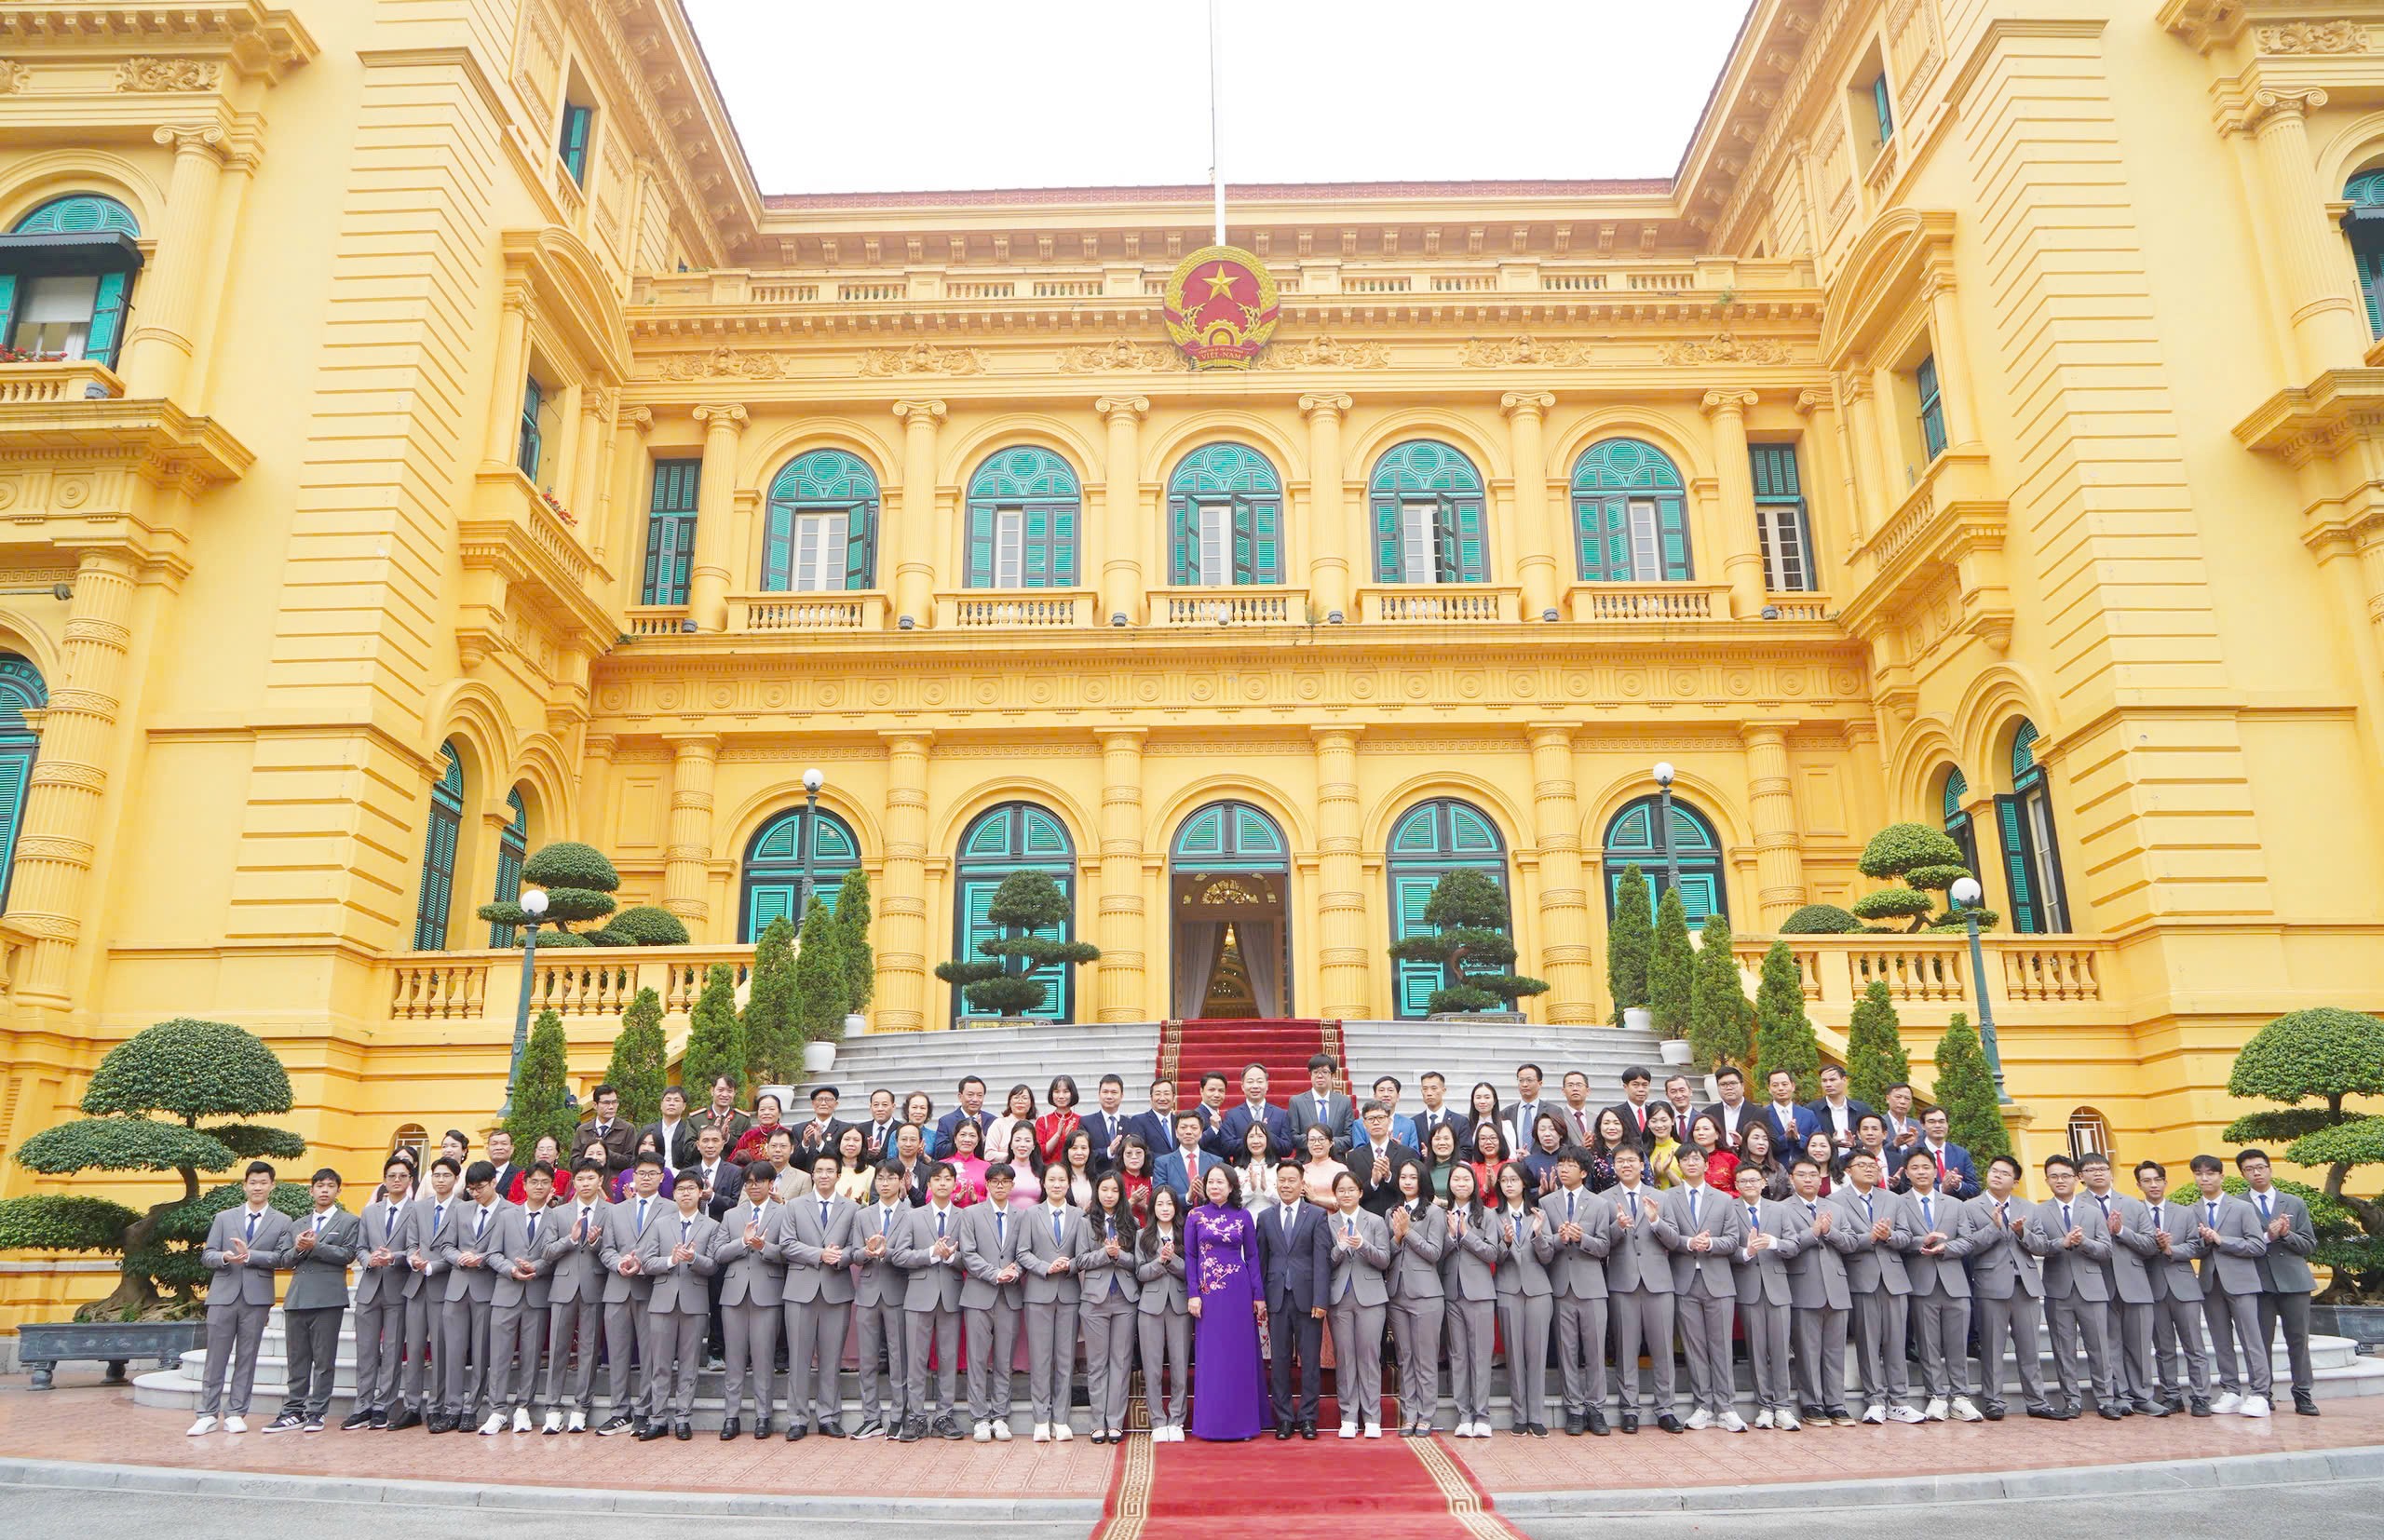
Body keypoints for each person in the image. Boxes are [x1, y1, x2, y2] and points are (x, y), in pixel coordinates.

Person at [190, 1160, 293, 1437]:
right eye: (253, 1182)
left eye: (263, 1182)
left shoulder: (282, 1221)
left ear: (272, 1186)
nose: (258, 1187)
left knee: (247, 1357)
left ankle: (236, 1412)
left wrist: (250, 1256)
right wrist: (225, 1257)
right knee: (215, 1357)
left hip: (256, 1298)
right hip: (222, 1295)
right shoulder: (224, 1218)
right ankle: (207, 1413)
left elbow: (282, 1258)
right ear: (244, 1185)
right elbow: (208, 1254)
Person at [262, 1168, 355, 1435]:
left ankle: (317, 1411)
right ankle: (293, 1409)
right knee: (297, 1358)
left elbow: (347, 1255)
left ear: (338, 1190)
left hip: (328, 1298)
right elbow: (283, 1259)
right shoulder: (298, 1224)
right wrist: (298, 1248)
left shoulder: (349, 1222)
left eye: (330, 1186)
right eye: (320, 1185)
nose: (324, 1190)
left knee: (324, 1360)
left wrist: (317, 1247)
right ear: (311, 1190)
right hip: (298, 1296)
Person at [1830, 1148, 1920, 1425]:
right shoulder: (1835, 1202)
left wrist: (1889, 1235)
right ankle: (1875, 1400)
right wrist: (1868, 1237)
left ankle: (1899, 1401)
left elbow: (1906, 1237)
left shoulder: (1892, 1199)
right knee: (1868, 1343)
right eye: (1862, 1164)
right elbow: (1839, 1241)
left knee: (1896, 1342)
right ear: (1848, 1170)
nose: (1870, 1169)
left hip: (1894, 1279)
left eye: (1873, 1164)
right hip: (1861, 1278)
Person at [1659, 1144, 1745, 1432]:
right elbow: (1668, 1237)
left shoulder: (1723, 1199)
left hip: (1718, 1280)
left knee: (1721, 1346)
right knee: (1694, 1347)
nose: (1691, 1163)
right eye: (1685, 1159)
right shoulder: (1668, 1198)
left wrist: (1709, 1244)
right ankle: (1703, 1406)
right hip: (1684, 1280)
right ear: (1679, 1165)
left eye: (1696, 1158)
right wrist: (1688, 1242)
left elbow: (1732, 1240)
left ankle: (1726, 1407)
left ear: (1707, 1165)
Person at [774, 1148, 857, 1440]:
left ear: (838, 1175)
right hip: (800, 1289)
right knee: (798, 1358)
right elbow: (786, 1244)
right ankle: (797, 1419)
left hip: (836, 1289)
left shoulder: (851, 1208)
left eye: (829, 1171)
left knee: (831, 1359)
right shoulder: (795, 1206)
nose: (824, 1176)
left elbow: (855, 1248)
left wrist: (841, 1256)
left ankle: (828, 1417)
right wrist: (819, 1254)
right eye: (819, 1171)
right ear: (812, 1174)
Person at [2079, 1150, 2169, 1418]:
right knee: (2109, 1345)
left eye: (2102, 1168)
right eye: (2091, 1169)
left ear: (2111, 1172)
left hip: (2134, 1282)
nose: (2098, 1173)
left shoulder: (2133, 1205)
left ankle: (2143, 1396)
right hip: (2096, 1282)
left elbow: (2150, 1245)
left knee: (2139, 1343)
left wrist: (2121, 1231)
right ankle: (2119, 1396)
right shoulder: (2077, 1205)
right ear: (2081, 1176)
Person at [1969, 1153, 2058, 1420]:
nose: (1997, 1175)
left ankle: (2037, 1401)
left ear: (2015, 1181)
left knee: (2030, 1348)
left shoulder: (2029, 1208)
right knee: (1992, 1348)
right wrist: (1994, 1228)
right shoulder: (1970, 1207)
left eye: (2004, 1173)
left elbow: (2042, 1246)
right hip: (1990, 1285)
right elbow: (1968, 1245)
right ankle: (1994, 1401)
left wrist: (2021, 1232)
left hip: (2025, 1286)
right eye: (1994, 1171)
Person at [633, 1162, 719, 1439]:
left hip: (694, 1303)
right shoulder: (660, 1225)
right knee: (659, 1364)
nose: (685, 1193)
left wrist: (693, 1258)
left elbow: (713, 1265)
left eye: (691, 1189)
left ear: (700, 1193)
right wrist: (671, 1260)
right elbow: (647, 1262)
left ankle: (683, 1418)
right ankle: (657, 1419)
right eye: (680, 1189)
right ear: (673, 1193)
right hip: (662, 1302)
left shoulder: (712, 1226)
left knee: (689, 1365)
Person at [1900, 1144, 1985, 1422]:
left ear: (1936, 1171)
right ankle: (1936, 1396)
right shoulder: (1899, 1203)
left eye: (1926, 1167)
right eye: (1915, 1168)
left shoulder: (1955, 1204)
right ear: (1907, 1173)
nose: (1921, 1172)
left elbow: (1968, 1240)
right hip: (1921, 1281)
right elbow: (1898, 1239)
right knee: (1928, 1344)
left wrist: (1946, 1248)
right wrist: (1921, 1242)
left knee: (1957, 1344)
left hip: (1954, 1281)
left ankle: (1960, 1397)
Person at [2029, 1153, 2117, 1418]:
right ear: (2046, 1180)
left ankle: (2106, 1400)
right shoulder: (2039, 1212)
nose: (2060, 1180)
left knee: (2099, 1348)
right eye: (2054, 1176)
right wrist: (2063, 1243)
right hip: (2058, 1289)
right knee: (2063, 1349)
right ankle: (2072, 1400)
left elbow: (2106, 1250)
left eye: (2066, 1175)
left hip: (2092, 1288)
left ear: (2077, 1179)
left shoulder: (2092, 1212)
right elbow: (2038, 1246)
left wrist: (2084, 1243)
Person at [1601, 1142, 1681, 1433]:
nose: (1626, 1165)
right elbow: (1601, 1244)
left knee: (1663, 1350)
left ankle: (1666, 1409)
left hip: (1658, 1282)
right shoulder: (1604, 1200)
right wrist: (1618, 1227)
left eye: (1631, 1160)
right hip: (1622, 1283)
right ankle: (1629, 1409)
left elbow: (1674, 1240)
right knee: (1626, 1349)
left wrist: (1655, 1220)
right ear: (1614, 1167)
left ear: (1641, 1164)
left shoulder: (1661, 1197)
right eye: (1620, 1161)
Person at [2189, 1151, 2274, 1417]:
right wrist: (2203, 1242)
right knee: (2220, 1339)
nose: (2205, 1178)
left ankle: (2260, 1393)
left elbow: (2257, 1245)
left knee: (2251, 1339)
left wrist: (2221, 1240)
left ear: (2221, 1176)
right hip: (2210, 1282)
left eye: (2210, 1173)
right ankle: (2231, 1390)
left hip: (2242, 1282)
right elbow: (2195, 1248)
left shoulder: (2241, 1208)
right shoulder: (2192, 1210)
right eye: (2199, 1174)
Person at [1186, 1165, 1267, 1440]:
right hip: (1208, 1292)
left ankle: (1243, 1424)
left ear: (1231, 1186)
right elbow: (1191, 1257)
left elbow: (1252, 1257)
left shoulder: (1243, 1216)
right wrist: (1193, 1293)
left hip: (1238, 1291)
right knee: (1213, 1357)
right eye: (1211, 1182)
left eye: (1220, 1182)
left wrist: (1258, 1295)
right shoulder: (1195, 1216)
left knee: (1238, 1355)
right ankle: (1211, 1425)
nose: (1215, 1187)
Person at [2237, 1147, 2320, 1416]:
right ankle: (2263, 1393)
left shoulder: (2293, 1202)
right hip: (2258, 1283)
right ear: (2242, 1174)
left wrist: (2285, 1235)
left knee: (2298, 1341)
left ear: (2270, 1169)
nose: (2256, 1173)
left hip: (2295, 1282)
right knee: (2260, 1342)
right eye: (2250, 1169)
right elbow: (2238, 1245)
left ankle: (2303, 1393)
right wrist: (2267, 1237)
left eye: (2261, 1167)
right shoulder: (2237, 1205)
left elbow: (2309, 1244)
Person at [891, 1160, 968, 1440]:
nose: (943, 1183)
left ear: (954, 1184)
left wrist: (951, 1257)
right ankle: (916, 1417)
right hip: (918, 1295)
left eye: (948, 1179)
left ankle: (944, 1416)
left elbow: (970, 1258)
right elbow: (898, 1255)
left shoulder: (965, 1217)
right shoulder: (913, 1216)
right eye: (937, 1179)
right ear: (929, 1184)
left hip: (951, 1295)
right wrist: (931, 1254)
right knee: (916, 1359)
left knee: (948, 1358)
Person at [1776, 1155, 1854, 1426]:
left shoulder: (1835, 1208)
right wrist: (1813, 1232)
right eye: (1802, 1174)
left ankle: (1836, 1403)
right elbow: (1786, 1247)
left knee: (1835, 1351)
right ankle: (1811, 1403)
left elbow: (1851, 1243)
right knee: (1807, 1351)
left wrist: (1829, 1232)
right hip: (1803, 1285)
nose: (1808, 1179)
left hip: (1836, 1287)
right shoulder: (1781, 1209)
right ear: (1791, 1179)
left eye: (1813, 1175)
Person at [1257, 1159, 1331, 1440]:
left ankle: (1309, 1418)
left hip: (1308, 1298)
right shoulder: (1266, 1217)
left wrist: (1321, 1299)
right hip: (1277, 1298)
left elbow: (1322, 1261)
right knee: (1279, 1361)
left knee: (1309, 1360)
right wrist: (1260, 1297)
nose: (1286, 1185)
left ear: (1302, 1184)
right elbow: (1262, 1260)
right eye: (1282, 1180)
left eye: (1292, 1180)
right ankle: (1285, 1418)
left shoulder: (1316, 1215)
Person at [431, 1159, 507, 1434]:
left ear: (494, 1182)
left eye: (480, 1188)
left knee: (481, 1352)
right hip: (457, 1286)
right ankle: (452, 1409)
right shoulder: (461, 1209)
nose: (475, 1193)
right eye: (471, 1189)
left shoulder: (510, 1211)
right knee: (452, 1351)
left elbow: (508, 1249)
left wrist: (482, 1258)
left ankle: (471, 1409)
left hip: (487, 1288)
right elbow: (446, 1246)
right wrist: (460, 1258)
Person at [1541, 1145, 1611, 1437]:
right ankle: (1574, 1408)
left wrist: (1583, 1239)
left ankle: (1595, 1407)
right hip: (1561, 1285)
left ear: (1583, 1172)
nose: (1564, 1169)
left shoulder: (1599, 1204)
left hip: (1592, 1286)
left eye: (1570, 1165)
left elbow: (1605, 1246)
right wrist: (1559, 1239)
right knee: (1567, 1351)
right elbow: (1543, 1248)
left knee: (1595, 1351)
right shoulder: (1546, 1203)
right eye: (1561, 1164)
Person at [2135, 1159, 2214, 1416]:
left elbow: (2196, 1246)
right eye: (2147, 1181)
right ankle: (2171, 1396)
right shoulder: (2135, 1213)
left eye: (2158, 1180)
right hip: (2152, 1286)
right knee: (2164, 1347)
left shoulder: (2184, 1213)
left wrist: (2170, 1249)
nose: (2153, 1185)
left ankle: (2201, 1396)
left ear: (2165, 1182)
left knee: (2194, 1346)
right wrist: (2153, 1245)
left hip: (2184, 1285)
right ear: (2139, 1185)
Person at [486, 1160, 559, 1435]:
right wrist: (511, 1270)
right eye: (534, 1181)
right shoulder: (506, 1216)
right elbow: (493, 1253)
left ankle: (523, 1408)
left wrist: (536, 1267)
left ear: (552, 1187)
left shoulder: (557, 1218)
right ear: (524, 1184)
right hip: (506, 1292)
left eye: (545, 1182)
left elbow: (556, 1256)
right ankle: (497, 1410)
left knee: (531, 1355)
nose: (539, 1186)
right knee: (500, 1355)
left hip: (537, 1294)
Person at [597, 1154, 667, 1435]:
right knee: (617, 1354)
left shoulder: (672, 1209)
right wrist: (618, 1263)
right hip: (618, 1288)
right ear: (633, 1177)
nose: (646, 1178)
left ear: (662, 1177)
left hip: (651, 1290)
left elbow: (670, 1249)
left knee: (651, 1355)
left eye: (652, 1173)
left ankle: (644, 1410)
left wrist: (644, 1265)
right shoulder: (616, 1211)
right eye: (641, 1173)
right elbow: (606, 1249)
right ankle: (619, 1411)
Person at [957, 1160, 1027, 1441]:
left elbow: (1025, 1253)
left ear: (1012, 1185)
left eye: (1005, 1181)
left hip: (1009, 1296)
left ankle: (1000, 1416)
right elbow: (968, 1254)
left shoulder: (1022, 1216)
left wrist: (1015, 1272)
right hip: (978, 1294)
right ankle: (979, 1418)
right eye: (995, 1181)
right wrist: (995, 1273)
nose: (1000, 1186)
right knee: (976, 1359)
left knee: (1004, 1359)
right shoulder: (971, 1214)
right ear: (986, 1185)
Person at [712, 1162, 782, 1439]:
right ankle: (731, 1416)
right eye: (749, 1182)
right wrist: (742, 1243)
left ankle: (763, 1416)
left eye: (759, 1181)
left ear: (770, 1184)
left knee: (764, 1357)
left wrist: (764, 1247)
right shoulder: (732, 1215)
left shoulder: (783, 1212)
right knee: (734, 1357)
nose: (754, 1186)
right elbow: (718, 1253)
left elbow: (787, 1252)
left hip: (768, 1291)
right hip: (734, 1293)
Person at [539, 1158, 610, 1433]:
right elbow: (546, 1252)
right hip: (563, 1286)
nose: (585, 1183)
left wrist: (595, 1242)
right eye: (580, 1179)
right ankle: (552, 1408)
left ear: (600, 1180)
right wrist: (570, 1240)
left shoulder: (611, 1211)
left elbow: (612, 1248)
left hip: (595, 1284)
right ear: (573, 1182)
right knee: (558, 1347)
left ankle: (581, 1407)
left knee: (588, 1350)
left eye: (591, 1178)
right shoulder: (558, 1213)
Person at [1020, 1160, 1089, 1441]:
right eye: (1052, 1180)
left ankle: (1061, 1418)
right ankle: (1040, 1419)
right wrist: (1045, 1267)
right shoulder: (1031, 1214)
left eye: (1062, 1180)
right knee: (1040, 1358)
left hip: (1069, 1294)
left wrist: (1069, 1265)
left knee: (1065, 1358)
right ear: (1043, 1183)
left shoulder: (1078, 1215)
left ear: (1068, 1184)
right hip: (1038, 1293)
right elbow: (1022, 1252)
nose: (1057, 1184)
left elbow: (1083, 1255)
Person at [391, 1153, 460, 1431]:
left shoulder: (463, 1209)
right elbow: (411, 1244)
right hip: (416, 1284)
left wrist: (433, 1266)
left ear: (456, 1179)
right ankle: (411, 1407)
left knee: (440, 1349)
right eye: (436, 1175)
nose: (440, 1180)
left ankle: (436, 1406)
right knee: (415, 1347)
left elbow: (460, 1249)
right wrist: (412, 1259)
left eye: (446, 1175)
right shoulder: (418, 1208)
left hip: (443, 1285)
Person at [346, 1154, 414, 1430]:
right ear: (384, 1180)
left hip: (398, 1287)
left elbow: (415, 1249)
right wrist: (368, 1260)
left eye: (402, 1176)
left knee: (393, 1349)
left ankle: (382, 1406)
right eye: (391, 1176)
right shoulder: (370, 1212)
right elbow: (360, 1247)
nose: (396, 1180)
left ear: (410, 1180)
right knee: (365, 1350)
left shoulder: (417, 1211)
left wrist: (394, 1257)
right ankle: (362, 1405)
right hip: (370, 1287)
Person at [849, 1160, 914, 1439]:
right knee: (867, 1358)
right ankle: (870, 1416)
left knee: (899, 1357)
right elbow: (853, 1254)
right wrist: (866, 1252)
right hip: (867, 1291)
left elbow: (913, 1254)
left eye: (890, 1178)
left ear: (901, 1181)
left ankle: (899, 1415)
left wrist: (888, 1252)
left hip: (898, 1290)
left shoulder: (913, 1214)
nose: (885, 1183)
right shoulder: (863, 1215)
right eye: (880, 1178)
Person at [1730, 1162, 1797, 1429]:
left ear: (1763, 1183)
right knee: (1756, 1350)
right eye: (1743, 1181)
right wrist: (1746, 1252)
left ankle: (1783, 1406)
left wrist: (1774, 1243)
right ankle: (1764, 1406)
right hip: (1748, 1287)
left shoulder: (1779, 1210)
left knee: (1780, 1349)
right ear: (1736, 1186)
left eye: (1753, 1180)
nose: (1749, 1185)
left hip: (1777, 1287)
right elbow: (1727, 1248)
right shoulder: (1730, 1209)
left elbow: (1794, 1245)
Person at [1325, 1169, 1390, 1439]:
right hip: (1340, 1296)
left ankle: (1372, 1417)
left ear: (1360, 1193)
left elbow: (1384, 1260)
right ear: (1335, 1194)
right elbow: (1325, 1262)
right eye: (1341, 1190)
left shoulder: (1375, 1221)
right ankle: (1349, 1416)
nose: (1346, 1194)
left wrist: (1363, 1245)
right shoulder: (1327, 1222)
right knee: (1345, 1357)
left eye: (1351, 1189)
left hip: (1371, 1296)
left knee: (1369, 1356)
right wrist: (1340, 1248)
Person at [1440, 1161, 1501, 1439]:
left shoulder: (1486, 1215)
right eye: (1456, 1179)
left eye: (1466, 1179)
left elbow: (1493, 1253)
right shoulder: (1443, 1215)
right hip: (1452, 1291)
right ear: (1450, 1184)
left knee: (1480, 1355)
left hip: (1480, 1292)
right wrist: (1450, 1236)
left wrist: (1464, 1235)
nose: (1461, 1184)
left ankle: (1482, 1415)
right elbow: (1437, 1254)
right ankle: (1464, 1414)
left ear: (1474, 1184)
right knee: (1458, 1356)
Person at [1078, 1171, 1141, 1444]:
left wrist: (1120, 1255)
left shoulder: (1132, 1223)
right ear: (1097, 1191)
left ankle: (1115, 1422)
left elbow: (1138, 1263)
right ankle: (1097, 1423)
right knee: (1097, 1363)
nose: (1109, 1195)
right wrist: (1105, 1254)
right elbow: (1079, 1261)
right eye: (1104, 1189)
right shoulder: (1085, 1223)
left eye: (1115, 1190)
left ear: (1121, 1194)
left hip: (1125, 1299)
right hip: (1095, 1300)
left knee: (1121, 1362)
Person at [1492, 1160, 1553, 1437]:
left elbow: (1548, 1256)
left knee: (1537, 1354)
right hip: (1507, 1289)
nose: (1509, 1185)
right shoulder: (1493, 1216)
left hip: (1538, 1290)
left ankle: (1536, 1416)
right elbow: (1494, 1257)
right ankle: (1520, 1415)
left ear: (1524, 1183)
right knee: (1514, 1355)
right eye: (1504, 1180)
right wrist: (1505, 1243)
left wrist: (1539, 1235)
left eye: (1513, 1180)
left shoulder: (1539, 1214)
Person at [1136, 1184, 1193, 1441]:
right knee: (1153, 1368)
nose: (1165, 1208)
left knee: (1180, 1366)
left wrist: (1173, 1260)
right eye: (1160, 1204)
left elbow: (1191, 1271)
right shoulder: (1142, 1236)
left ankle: (1177, 1420)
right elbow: (1140, 1273)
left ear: (1176, 1207)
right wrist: (1160, 1262)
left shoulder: (1185, 1233)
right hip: (1150, 1307)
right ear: (1152, 1208)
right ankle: (1157, 1420)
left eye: (1169, 1203)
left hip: (1180, 1305)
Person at [1348, 1100, 1421, 1215]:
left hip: (1399, 1215)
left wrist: (1389, 1176)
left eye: (1381, 1118)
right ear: (1364, 1124)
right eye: (1371, 1119)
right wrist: (1373, 1182)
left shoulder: (1407, 1153)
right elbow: (1353, 1193)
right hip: (1367, 1217)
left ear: (1389, 1121)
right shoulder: (1354, 1156)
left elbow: (1415, 1189)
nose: (1376, 1123)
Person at [1215, 1062, 1295, 1160]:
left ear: (1267, 1085)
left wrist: (1266, 1137)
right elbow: (1226, 1147)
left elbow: (1287, 1149)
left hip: (1272, 1167)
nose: (1255, 1086)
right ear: (1242, 1086)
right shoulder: (1232, 1115)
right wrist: (1251, 1140)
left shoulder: (1281, 1114)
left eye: (1260, 1081)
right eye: (1250, 1082)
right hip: (1243, 1167)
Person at [1913, 1107, 1980, 1198]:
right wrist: (1941, 1188)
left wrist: (1958, 1185)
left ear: (1947, 1124)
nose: (1937, 1125)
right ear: (1923, 1125)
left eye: (1941, 1121)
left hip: (1955, 1206)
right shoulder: (1912, 1153)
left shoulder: (1961, 1154)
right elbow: (1908, 1187)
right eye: (1932, 1122)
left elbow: (1975, 1189)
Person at [573, 1086, 639, 1178]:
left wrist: (605, 1152)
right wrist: (590, 1157)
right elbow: (574, 1162)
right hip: (588, 1180)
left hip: (614, 1181)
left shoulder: (628, 1129)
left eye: (614, 1102)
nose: (611, 1107)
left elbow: (631, 1161)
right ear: (595, 1105)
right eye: (606, 1103)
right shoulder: (582, 1130)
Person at [1155, 1108, 1222, 1197]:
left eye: (1194, 1128)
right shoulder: (1163, 1163)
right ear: (1176, 1132)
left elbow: (1222, 1194)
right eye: (1183, 1128)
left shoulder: (1216, 1161)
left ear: (1201, 1132)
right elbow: (1159, 1196)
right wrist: (1187, 1197)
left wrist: (1206, 1197)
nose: (1188, 1132)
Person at [1290, 1053, 1354, 1144]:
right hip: (1307, 1153)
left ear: (1333, 1075)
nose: (1320, 1076)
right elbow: (1293, 1136)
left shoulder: (1344, 1102)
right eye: (1315, 1072)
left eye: (1325, 1072)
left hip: (1335, 1153)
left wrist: (1329, 1143)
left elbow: (1350, 1137)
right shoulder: (1297, 1102)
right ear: (1310, 1075)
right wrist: (1315, 1142)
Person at [1806, 1064, 1871, 1152]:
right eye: (1824, 1081)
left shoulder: (1861, 1109)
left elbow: (1872, 1137)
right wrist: (1829, 1143)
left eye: (1832, 1080)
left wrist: (1855, 1143)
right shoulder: (1812, 1109)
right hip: (1826, 1158)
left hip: (1855, 1158)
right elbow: (1806, 1139)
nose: (1828, 1084)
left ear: (1844, 1080)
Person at [1756, 1070, 1821, 1152]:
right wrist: (1785, 1137)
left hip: (1803, 1159)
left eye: (1785, 1084)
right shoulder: (1762, 1115)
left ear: (1793, 1086)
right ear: (1769, 1089)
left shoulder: (1808, 1114)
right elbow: (1759, 1146)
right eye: (1775, 1085)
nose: (1780, 1088)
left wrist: (1798, 1137)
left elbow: (1818, 1143)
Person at [932, 1075, 993, 1159]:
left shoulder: (992, 1121)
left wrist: (983, 1139)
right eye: (970, 1095)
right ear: (960, 1097)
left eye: (979, 1095)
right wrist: (962, 1141)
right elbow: (940, 1151)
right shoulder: (946, 1121)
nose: (975, 1099)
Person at [608, 1131, 677, 1201]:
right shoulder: (625, 1174)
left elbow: (668, 1203)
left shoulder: (666, 1173)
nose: (646, 1148)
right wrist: (631, 1201)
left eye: (652, 1144)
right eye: (643, 1143)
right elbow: (618, 1203)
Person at [1123, 1077, 1183, 1155]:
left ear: (1173, 1098)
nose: (1162, 1098)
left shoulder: (1179, 1121)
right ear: (1151, 1098)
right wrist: (1167, 1161)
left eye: (1166, 1094)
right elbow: (1140, 1151)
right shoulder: (1139, 1121)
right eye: (1158, 1094)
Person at [1080, 1074, 1130, 1168]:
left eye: (1114, 1092)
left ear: (1122, 1096)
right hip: (1097, 1174)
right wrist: (1108, 1151)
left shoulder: (1130, 1123)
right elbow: (1083, 1153)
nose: (1109, 1096)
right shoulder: (1086, 1122)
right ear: (1099, 1094)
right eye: (1105, 1092)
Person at [692, 1074, 752, 1149]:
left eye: (729, 1091)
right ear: (712, 1091)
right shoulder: (696, 1119)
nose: (724, 1095)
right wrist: (709, 1137)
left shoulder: (742, 1120)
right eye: (720, 1090)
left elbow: (748, 1149)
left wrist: (728, 1138)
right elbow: (688, 1149)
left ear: (734, 1093)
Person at [1700, 1065, 1753, 1149]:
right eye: (1723, 1084)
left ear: (1742, 1086)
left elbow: (1769, 1144)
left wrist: (1744, 1143)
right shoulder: (1708, 1114)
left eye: (1733, 1083)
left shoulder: (1759, 1113)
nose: (1728, 1088)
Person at [644, 1085, 698, 1169]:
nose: (671, 1103)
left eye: (676, 1100)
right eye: (668, 1100)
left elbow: (692, 1160)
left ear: (684, 1106)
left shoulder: (689, 1131)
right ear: (661, 1105)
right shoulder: (648, 1130)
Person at [1235, 1118, 1279, 1219]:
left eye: (1260, 1136)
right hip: (1245, 1222)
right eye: (1251, 1136)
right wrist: (1251, 1189)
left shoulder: (1279, 1169)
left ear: (1268, 1140)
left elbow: (1287, 1203)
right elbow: (1233, 1206)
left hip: (1273, 1222)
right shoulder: (1237, 1171)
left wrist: (1266, 1189)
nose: (1255, 1141)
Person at [1735, 1121, 1790, 1200]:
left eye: (1765, 1139)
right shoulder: (1738, 1168)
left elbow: (1790, 1193)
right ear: (1746, 1141)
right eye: (1756, 1138)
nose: (1761, 1143)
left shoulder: (1778, 1168)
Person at [997, 1121, 1045, 1213]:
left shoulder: (1043, 1172)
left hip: (1036, 1220)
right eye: (1018, 1140)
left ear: (1033, 1145)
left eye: (1027, 1140)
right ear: (1011, 1144)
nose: (1022, 1145)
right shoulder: (1001, 1171)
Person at [1504, 1063, 1550, 1156]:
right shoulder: (1506, 1113)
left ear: (1540, 1083)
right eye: (1521, 1080)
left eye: (1529, 1080)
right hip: (1514, 1163)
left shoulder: (1553, 1111)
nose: (1524, 1084)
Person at [1607, 1065, 1658, 1148]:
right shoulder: (1616, 1113)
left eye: (1645, 1085)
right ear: (1625, 1087)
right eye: (1635, 1085)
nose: (1641, 1089)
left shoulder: (1654, 1112)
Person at [1037, 1074, 1083, 1164]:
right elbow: (1039, 1153)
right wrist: (1057, 1135)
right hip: (1049, 1170)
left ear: (1072, 1093)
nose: (1061, 1096)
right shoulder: (1043, 1121)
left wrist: (1069, 1139)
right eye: (1057, 1092)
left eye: (1065, 1092)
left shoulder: (1081, 1120)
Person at [1415, 1071, 1468, 1149]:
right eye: (1425, 1089)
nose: (1429, 1093)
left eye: (1434, 1088)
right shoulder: (1414, 1122)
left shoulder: (1460, 1122)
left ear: (1443, 1090)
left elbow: (1466, 1150)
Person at [944, 1116, 990, 1207]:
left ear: (978, 1140)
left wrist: (977, 1199)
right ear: (955, 1139)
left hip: (979, 1214)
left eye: (972, 1136)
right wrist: (955, 1198)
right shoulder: (943, 1165)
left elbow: (994, 1200)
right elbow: (930, 1197)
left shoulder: (987, 1167)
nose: (967, 1140)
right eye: (963, 1135)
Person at [985, 1083, 1038, 1161]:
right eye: (1016, 1098)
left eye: (1024, 1098)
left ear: (1031, 1103)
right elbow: (989, 1155)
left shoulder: (1036, 1125)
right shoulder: (999, 1124)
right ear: (1009, 1102)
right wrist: (1014, 1157)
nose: (1020, 1101)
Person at [729, 1093, 787, 1164]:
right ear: (757, 1114)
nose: (766, 1113)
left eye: (771, 1109)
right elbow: (732, 1162)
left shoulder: (787, 1135)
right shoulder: (748, 1136)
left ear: (779, 1113)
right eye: (762, 1109)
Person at [1301, 1123, 1349, 1205]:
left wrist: (1316, 1199)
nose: (1316, 1144)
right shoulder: (1301, 1170)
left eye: (1321, 1139)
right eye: (1312, 1140)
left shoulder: (1340, 1169)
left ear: (1331, 1143)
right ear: (1307, 1143)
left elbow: (1345, 1201)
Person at [795, 1085, 849, 1159]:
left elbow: (844, 1158)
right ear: (813, 1104)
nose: (823, 1103)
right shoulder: (799, 1129)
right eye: (819, 1099)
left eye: (828, 1099)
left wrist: (820, 1144)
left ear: (836, 1104)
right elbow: (793, 1161)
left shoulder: (846, 1129)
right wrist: (804, 1144)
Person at [1519, 1111, 1566, 1196]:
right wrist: (1539, 1191)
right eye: (1542, 1129)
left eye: (1552, 1129)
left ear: (1561, 1133)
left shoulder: (1572, 1158)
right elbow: (1522, 1192)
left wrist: (1557, 1190)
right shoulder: (1528, 1162)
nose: (1547, 1134)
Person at [1688, 1112, 1734, 1196]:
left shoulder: (1729, 1159)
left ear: (1717, 1134)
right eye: (1697, 1129)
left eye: (1706, 1129)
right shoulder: (1687, 1159)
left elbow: (1743, 1187)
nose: (1700, 1133)